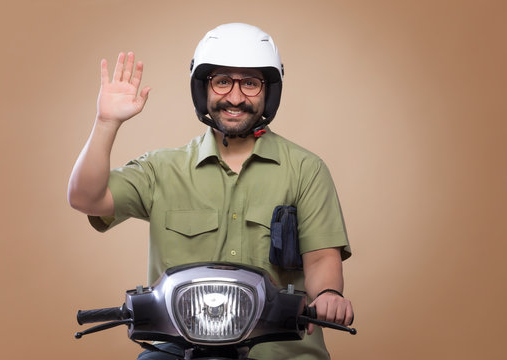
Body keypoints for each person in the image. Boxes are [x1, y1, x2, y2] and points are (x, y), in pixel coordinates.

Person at [68, 23, 353, 359]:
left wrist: (329, 295)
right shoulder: (161, 169)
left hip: (279, 350)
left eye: (249, 83)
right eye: (222, 82)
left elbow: (321, 258)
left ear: (268, 91)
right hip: (179, 348)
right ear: (203, 89)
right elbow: (86, 198)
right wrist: (106, 123)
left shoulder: (306, 169)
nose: (235, 98)